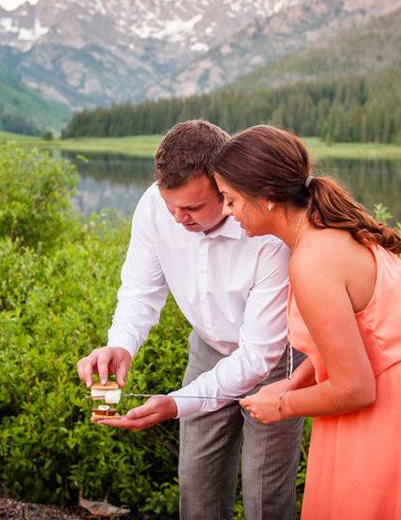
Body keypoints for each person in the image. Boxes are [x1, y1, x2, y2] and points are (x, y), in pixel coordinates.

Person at [212, 125, 401, 520]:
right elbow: (358, 338)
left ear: (269, 198)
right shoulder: (329, 227)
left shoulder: (312, 262)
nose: (226, 211)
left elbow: (356, 387)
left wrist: (283, 404)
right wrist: (296, 381)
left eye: (230, 199)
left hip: (396, 405)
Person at [76, 120, 305, 520]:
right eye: (172, 206)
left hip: (277, 360)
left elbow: (257, 356)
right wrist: (120, 343)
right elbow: (140, 289)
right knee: (196, 482)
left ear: (224, 186)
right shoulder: (154, 206)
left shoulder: (268, 233)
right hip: (208, 349)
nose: (179, 218)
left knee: (264, 491)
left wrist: (175, 404)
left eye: (194, 208)